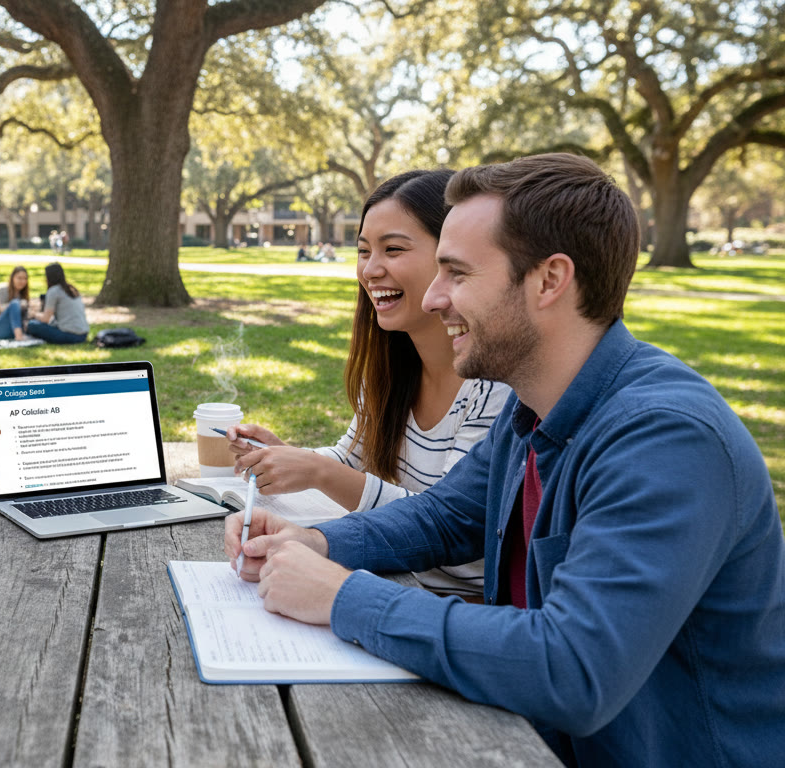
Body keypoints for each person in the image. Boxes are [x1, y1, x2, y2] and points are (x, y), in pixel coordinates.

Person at [225, 153, 785, 766]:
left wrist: (342, 597)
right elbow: (442, 518)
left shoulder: (668, 439)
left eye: (457, 274)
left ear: (549, 280)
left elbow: (573, 668)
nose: (435, 299)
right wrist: (313, 543)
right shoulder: (537, 406)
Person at [228, 171, 511, 597]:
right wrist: (291, 457)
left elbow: (448, 523)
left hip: (453, 607)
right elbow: (353, 459)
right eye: (362, 251)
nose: (371, 270)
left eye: (393, 249)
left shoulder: (494, 385)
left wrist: (318, 472)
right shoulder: (391, 368)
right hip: (389, 579)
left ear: (451, 257)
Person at [25, 262, 89, 344]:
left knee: (31, 325)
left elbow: (45, 319)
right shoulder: (71, 289)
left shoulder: (54, 291)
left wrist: (34, 314)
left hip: (70, 336)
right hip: (83, 335)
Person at [0, 266, 32, 341]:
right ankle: (19, 336)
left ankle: (20, 334)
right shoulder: (2, 290)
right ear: (12, 278)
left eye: (25, 279)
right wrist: (19, 304)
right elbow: (2, 308)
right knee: (15, 303)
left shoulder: (22, 294)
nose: (22, 281)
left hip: (10, 330)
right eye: (19, 278)